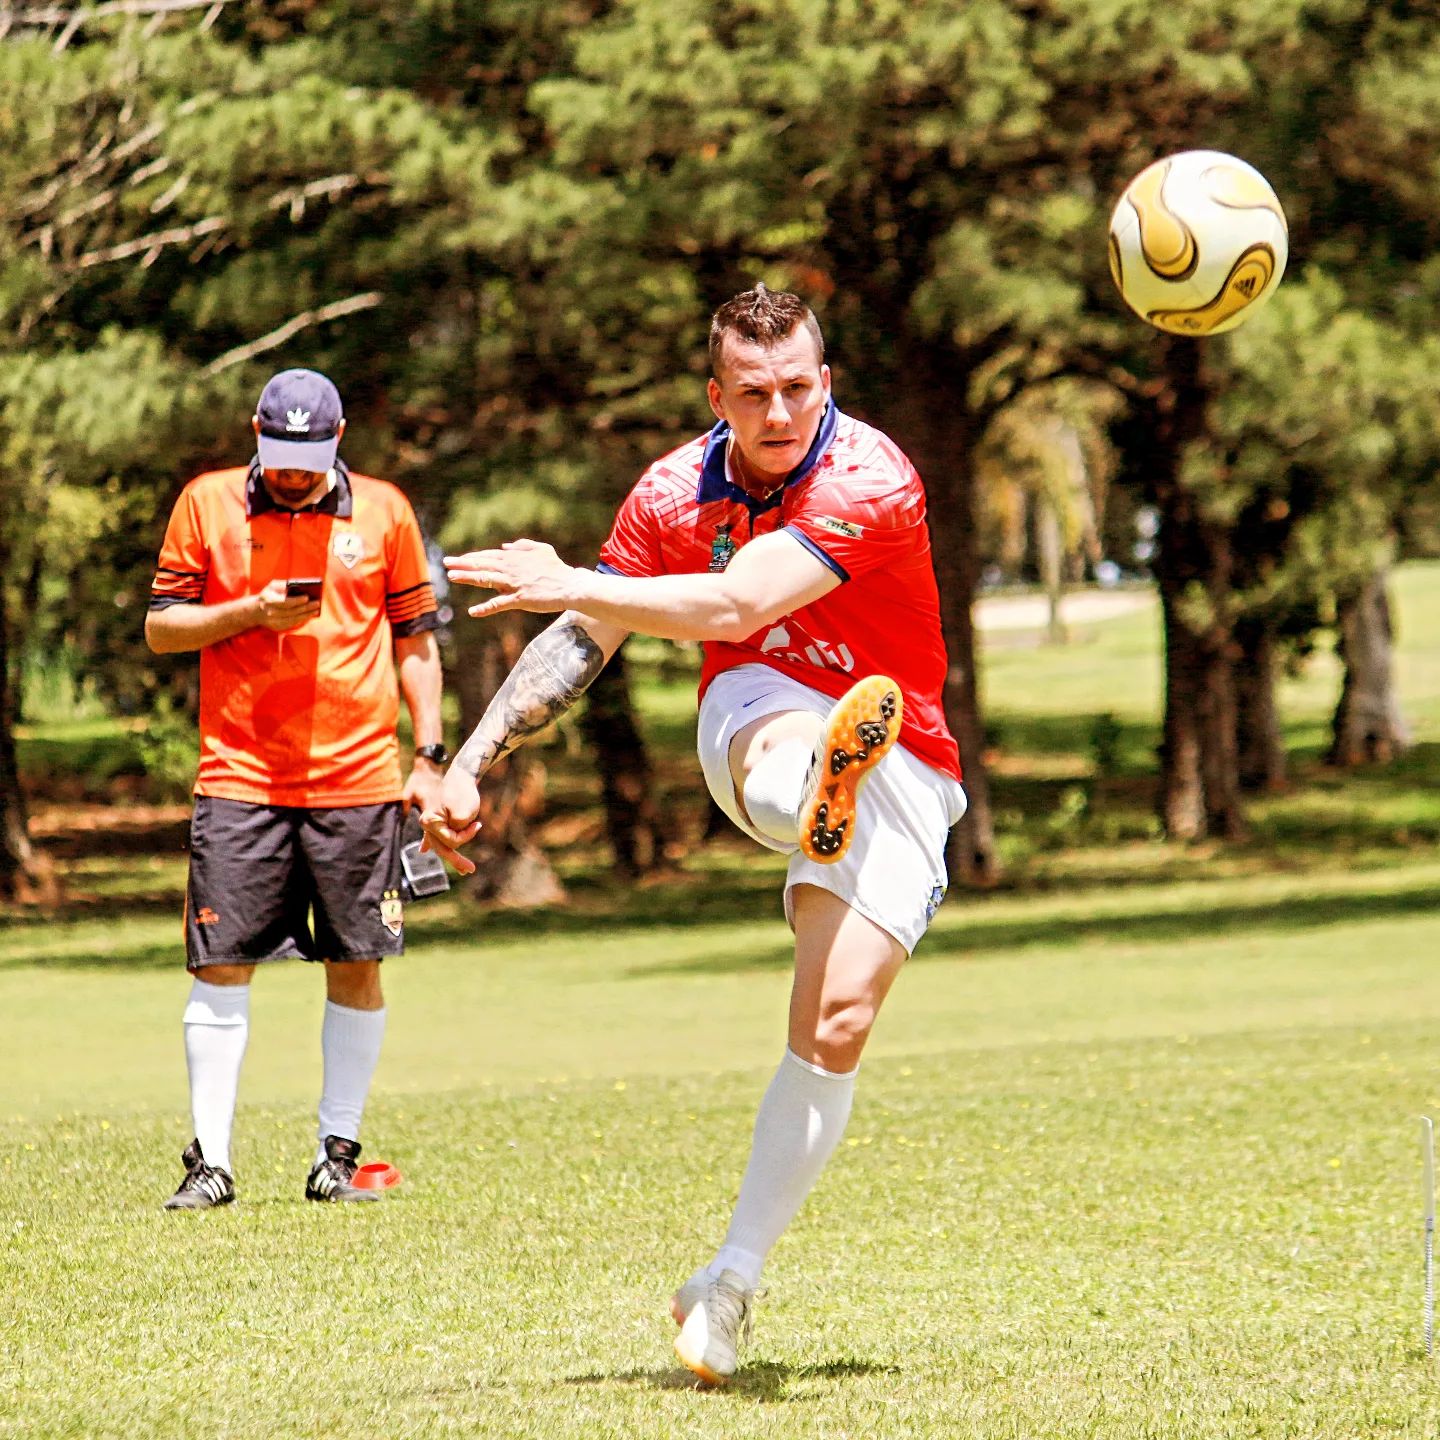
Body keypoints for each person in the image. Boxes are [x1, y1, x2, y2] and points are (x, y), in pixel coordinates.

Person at [420, 285, 966, 1384]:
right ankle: (811, 784)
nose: (780, 412)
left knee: (840, 1019)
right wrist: (468, 764)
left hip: (903, 748)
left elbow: (733, 599)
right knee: (780, 756)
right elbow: (593, 635)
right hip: (757, 704)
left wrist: (565, 574)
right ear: (717, 395)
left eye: (799, 388)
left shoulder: (872, 475)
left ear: (828, 382)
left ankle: (726, 1286)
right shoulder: (673, 489)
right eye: (754, 393)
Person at [146, 368, 446, 1210]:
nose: (291, 472)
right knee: (221, 965)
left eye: (307, 457)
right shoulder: (206, 504)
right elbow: (161, 626)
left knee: (358, 963)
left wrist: (429, 754)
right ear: (255, 432)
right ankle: (210, 1162)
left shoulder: (385, 510)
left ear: (339, 438)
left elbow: (416, 641)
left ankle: (336, 1158)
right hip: (240, 777)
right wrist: (244, 613)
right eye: (278, 453)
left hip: (358, 781)